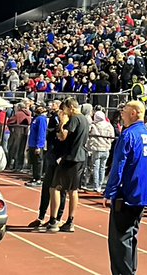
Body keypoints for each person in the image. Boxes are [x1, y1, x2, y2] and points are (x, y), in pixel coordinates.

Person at [104, 100, 147, 275]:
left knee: (119, 240)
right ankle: (130, 271)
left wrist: (110, 191)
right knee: (131, 236)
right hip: (141, 193)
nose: (122, 115)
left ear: (134, 113)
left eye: (124, 111)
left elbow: (119, 165)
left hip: (126, 193)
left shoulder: (128, 135)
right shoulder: (146, 134)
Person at [44, 97, 90, 233]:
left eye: (64, 109)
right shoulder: (84, 120)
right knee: (73, 190)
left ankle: (53, 220)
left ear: (70, 108)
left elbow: (63, 136)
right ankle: (70, 221)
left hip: (71, 158)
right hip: (80, 157)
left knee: (55, 188)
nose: (63, 112)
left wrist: (63, 124)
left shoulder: (74, 118)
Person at [87, 110, 115, 193]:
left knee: (96, 167)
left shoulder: (93, 125)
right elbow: (112, 136)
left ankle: (96, 186)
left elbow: (89, 136)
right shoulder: (109, 125)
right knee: (102, 167)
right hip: (106, 148)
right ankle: (100, 184)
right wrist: (108, 142)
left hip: (96, 149)